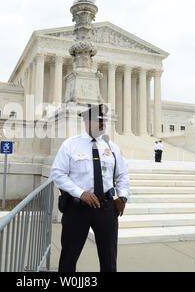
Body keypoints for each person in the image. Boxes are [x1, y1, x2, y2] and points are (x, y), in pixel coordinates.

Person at [51, 104, 130, 272]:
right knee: (69, 256)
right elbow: (58, 174)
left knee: (109, 257)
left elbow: (122, 174)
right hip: (77, 207)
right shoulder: (70, 145)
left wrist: (122, 197)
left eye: (103, 120)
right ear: (86, 122)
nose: (102, 124)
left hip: (106, 208)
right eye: (97, 120)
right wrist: (80, 193)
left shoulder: (112, 147)